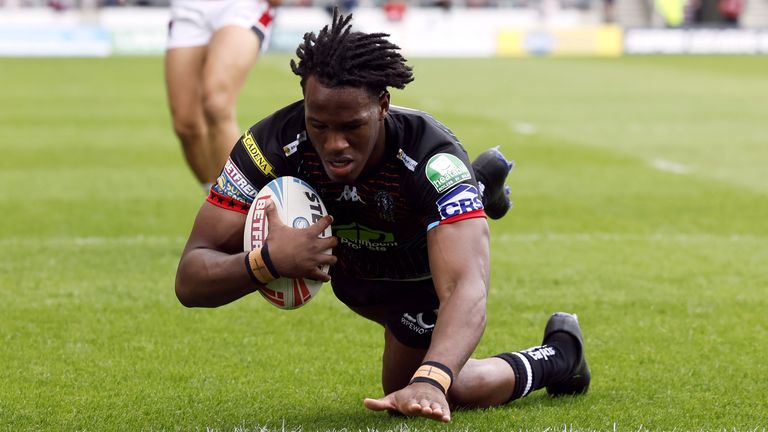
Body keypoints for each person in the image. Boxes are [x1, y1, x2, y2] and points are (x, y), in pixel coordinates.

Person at [175, 9, 590, 423]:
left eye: (351, 126)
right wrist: (266, 261)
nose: (335, 143)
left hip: (415, 276)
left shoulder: (432, 158)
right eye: (319, 125)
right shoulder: (270, 145)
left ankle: (560, 356)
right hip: (354, 272)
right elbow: (190, 279)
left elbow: (467, 287)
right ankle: (479, 188)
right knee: (420, 384)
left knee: (429, 391)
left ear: (383, 106)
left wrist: (432, 378)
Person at [165, 0, 282, 192]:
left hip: (240, 7)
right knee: (186, 126)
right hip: (188, 8)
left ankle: (239, 203)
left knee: (216, 103)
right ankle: (215, 198)